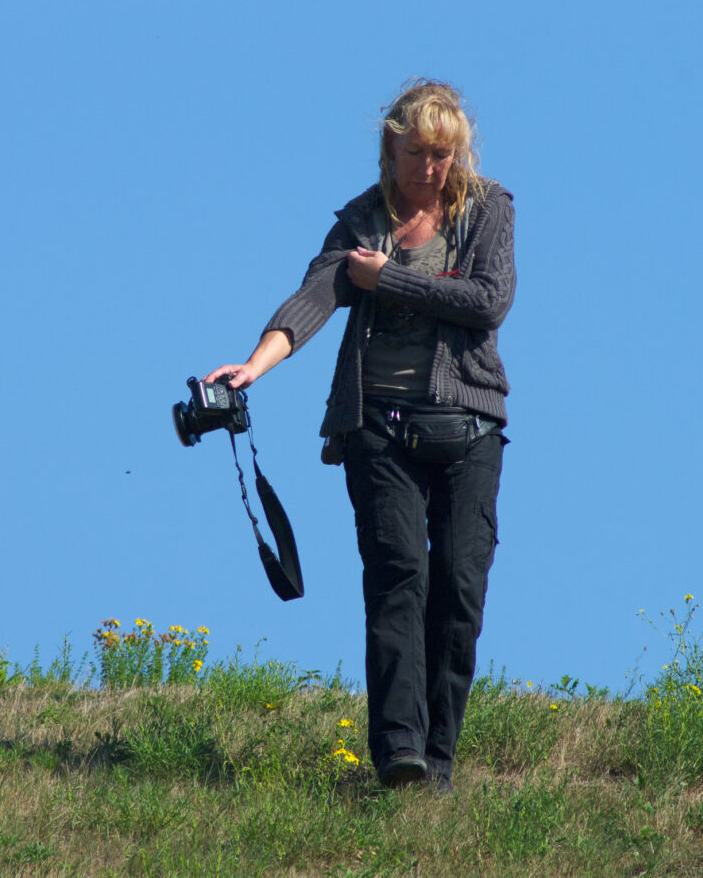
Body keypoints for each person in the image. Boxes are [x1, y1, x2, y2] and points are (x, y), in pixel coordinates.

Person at [207, 80, 515, 792]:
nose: (430, 168)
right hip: (377, 426)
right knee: (398, 575)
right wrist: (253, 366)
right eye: (417, 153)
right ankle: (400, 751)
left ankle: (440, 761)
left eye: (443, 154)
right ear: (390, 147)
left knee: (459, 589)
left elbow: (488, 301)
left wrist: (390, 282)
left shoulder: (489, 209)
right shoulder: (360, 222)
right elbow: (316, 296)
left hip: (470, 427)